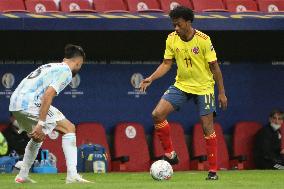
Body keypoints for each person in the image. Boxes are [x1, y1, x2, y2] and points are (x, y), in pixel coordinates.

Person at [140, 6, 227, 180]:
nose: (176, 29)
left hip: (204, 87)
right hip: (181, 85)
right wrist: (151, 78)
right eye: (174, 25)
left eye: (178, 25)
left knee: (207, 127)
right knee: (157, 114)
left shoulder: (203, 40)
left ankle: (213, 172)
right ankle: (170, 153)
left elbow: (215, 67)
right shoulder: (171, 39)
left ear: (188, 22)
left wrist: (222, 92)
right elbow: (166, 64)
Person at [9, 44, 92, 184]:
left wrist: (40, 125)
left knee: (37, 138)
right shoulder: (66, 71)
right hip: (28, 103)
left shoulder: (51, 66)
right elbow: (47, 96)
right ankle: (73, 176)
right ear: (78, 62)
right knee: (69, 128)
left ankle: (22, 176)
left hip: (15, 104)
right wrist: (41, 123)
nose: (80, 67)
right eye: (81, 64)